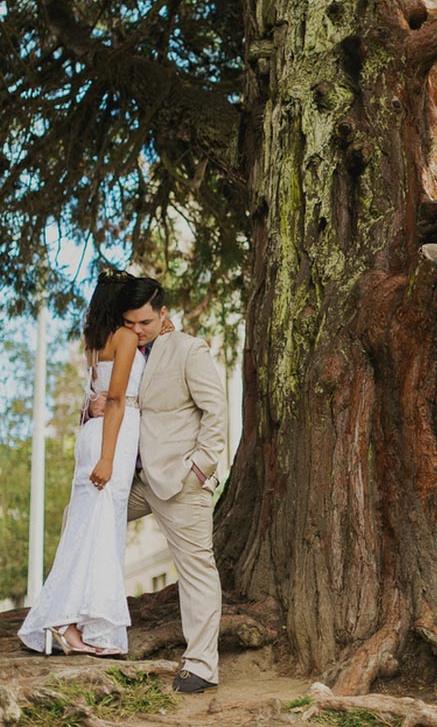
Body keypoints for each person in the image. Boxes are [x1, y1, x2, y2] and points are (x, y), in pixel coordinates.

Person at [91, 276, 227, 694]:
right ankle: (88, 630)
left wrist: (199, 470)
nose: (137, 330)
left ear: (163, 313)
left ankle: (202, 665)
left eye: (145, 322)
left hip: (179, 481)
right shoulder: (126, 349)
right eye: (130, 322)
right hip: (132, 480)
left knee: (196, 569)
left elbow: (216, 413)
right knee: (83, 520)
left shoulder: (189, 350)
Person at [18, 270, 142, 656]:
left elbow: (96, 396)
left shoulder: (94, 340)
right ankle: (69, 621)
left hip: (94, 433)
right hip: (110, 438)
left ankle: (73, 624)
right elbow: (117, 400)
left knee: (88, 530)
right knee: (99, 531)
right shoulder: (124, 338)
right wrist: (107, 458)